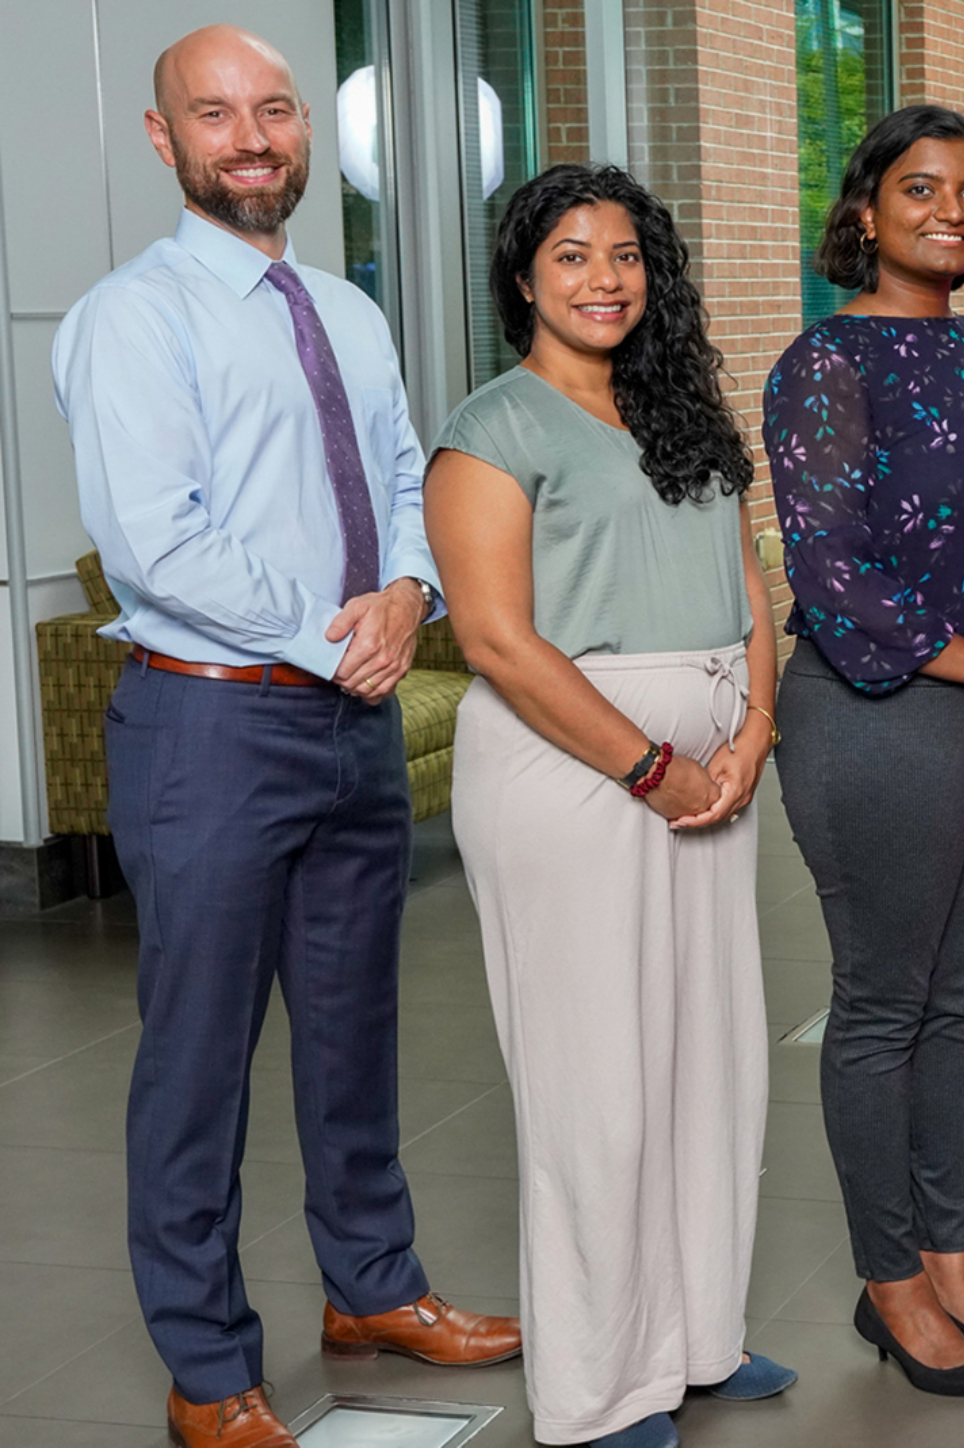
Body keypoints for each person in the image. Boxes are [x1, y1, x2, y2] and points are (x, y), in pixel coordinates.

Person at [51, 27, 519, 1448]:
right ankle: (208, 1368)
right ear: (162, 139)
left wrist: (408, 589)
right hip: (211, 726)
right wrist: (341, 633)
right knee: (195, 1058)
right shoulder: (131, 319)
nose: (249, 138)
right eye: (214, 115)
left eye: (271, 110)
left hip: (346, 723)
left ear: (303, 128)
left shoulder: (345, 308)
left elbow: (392, 468)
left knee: (352, 1035)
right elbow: (161, 544)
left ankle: (372, 1288)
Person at [425, 163, 790, 1448]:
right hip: (572, 774)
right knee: (599, 1088)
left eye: (625, 255)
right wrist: (654, 766)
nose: (604, 279)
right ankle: (596, 1387)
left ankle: (695, 1337)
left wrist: (752, 726)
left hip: (712, 769)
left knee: (712, 1065)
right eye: (572, 256)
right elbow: (498, 640)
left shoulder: (679, 408)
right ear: (523, 276)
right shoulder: (494, 427)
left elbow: (746, 578)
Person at [763, 104, 964, 1398]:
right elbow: (834, 572)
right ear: (869, 211)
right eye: (921, 190)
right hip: (880, 713)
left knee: (955, 1002)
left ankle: (949, 1260)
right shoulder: (823, 365)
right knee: (884, 1003)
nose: (952, 211)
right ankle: (887, 1283)